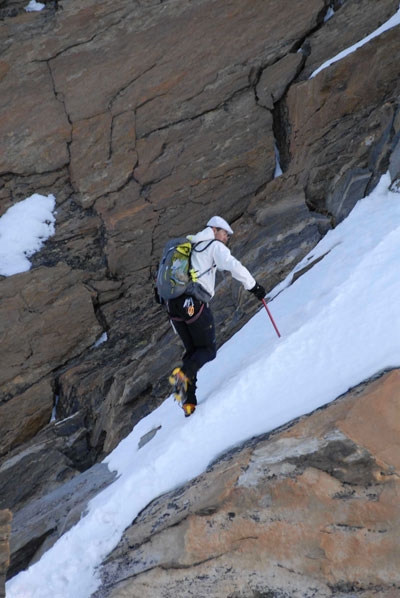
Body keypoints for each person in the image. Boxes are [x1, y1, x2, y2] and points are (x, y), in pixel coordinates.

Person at [164, 215, 265, 416]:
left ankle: (189, 402)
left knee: (193, 352)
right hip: (193, 304)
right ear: (215, 230)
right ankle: (182, 376)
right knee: (208, 350)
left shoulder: (189, 247)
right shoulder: (213, 246)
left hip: (173, 306)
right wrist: (254, 287)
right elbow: (234, 266)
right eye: (225, 233)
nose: (226, 237)